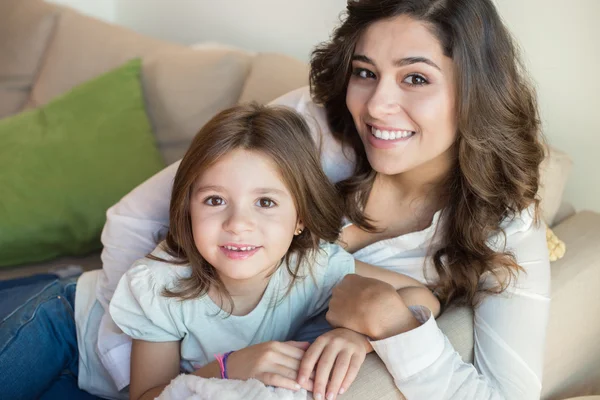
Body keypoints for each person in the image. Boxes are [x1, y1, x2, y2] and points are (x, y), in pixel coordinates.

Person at [0, 0, 550, 399]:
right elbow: (132, 220)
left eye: (415, 78)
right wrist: (141, 374)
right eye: (365, 73)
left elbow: (489, 382)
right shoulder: (310, 130)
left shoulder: (504, 230)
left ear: (473, 89)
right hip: (81, 320)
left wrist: (389, 329)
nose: (378, 106)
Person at [108, 103, 440, 400]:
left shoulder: (312, 267)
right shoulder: (161, 284)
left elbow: (422, 297)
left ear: (299, 218)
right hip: (64, 323)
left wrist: (356, 337)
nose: (238, 224)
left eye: (265, 202)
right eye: (215, 200)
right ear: (188, 209)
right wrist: (229, 367)